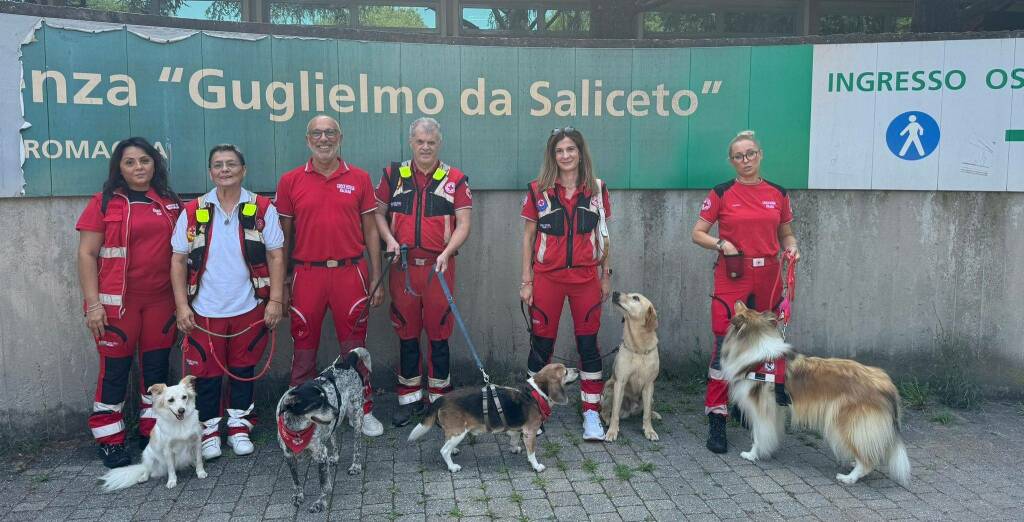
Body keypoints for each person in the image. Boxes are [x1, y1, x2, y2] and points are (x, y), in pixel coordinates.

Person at [170, 144, 286, 459]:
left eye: (231, 164)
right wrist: (182, 306)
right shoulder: (193, 210)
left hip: (249, 307)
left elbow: (276, 255)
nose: (225, 169)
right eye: (218, 165)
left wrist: (275, 300)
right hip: (204, 309)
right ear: (211, 172)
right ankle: (208, 431)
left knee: (243, 371)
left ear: (243, 170)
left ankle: (238, 427)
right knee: (206, 377)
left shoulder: (262, 208)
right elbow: (178, 260)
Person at [691, 130, 800, 454]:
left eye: (750, 154)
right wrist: (720, 243)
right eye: (739, 156)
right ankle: (717, 416)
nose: (745, 160)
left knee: (764, 344)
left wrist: (792, 249)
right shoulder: (722, 192)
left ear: (760, 154)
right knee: (724, 344)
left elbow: (787, 233)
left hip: (768, 273)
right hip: (733, 274)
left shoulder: (778, 193)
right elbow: (697, 233)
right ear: (731, 161)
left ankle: (751, 409)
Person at [275, 115, 385, 437]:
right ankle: (298, 414)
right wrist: (281, 283)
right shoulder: (290, 180)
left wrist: (376, 275)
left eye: (330, 133)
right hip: (306, 273)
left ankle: (361, 411)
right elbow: (283, 236)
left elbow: (370, 231)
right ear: (308, 139)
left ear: (341, 136)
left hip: (351, 272)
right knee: (303, 345)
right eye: (317, 133)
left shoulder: (360, 178)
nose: (324, 139)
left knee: (355, 348)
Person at [76, 137, 182, 468]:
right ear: (119, 168)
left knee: (156, 374)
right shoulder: (104, 202)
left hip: (161, 303)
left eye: (144, 161)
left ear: (155, 164)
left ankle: (152, 433)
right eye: (130, 162)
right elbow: (86, 254)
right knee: (114, 374)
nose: (139, 167)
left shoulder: (168, 201)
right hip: (116, 307)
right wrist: (93, 305)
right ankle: (110, 440)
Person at [374, 117, 472, 427]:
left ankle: (440, 402)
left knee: (439, 333)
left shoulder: (454, 178)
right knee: (407, 332)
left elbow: (465, 223)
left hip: (439, 270)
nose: (425, 147)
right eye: (420, 141)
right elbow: (377, 214)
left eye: (431, 142)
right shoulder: (394, 175)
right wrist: (389, 240)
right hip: (402, 268)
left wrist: (445, 252)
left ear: (439, 143)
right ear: (411, 143)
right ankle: (409, 399)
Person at [519, 127, 612, 441]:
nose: (566, 155)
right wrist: (526, 280)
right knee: (541, 345)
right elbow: (529, 238)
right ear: (553, 156)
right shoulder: (537, 190)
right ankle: (532, 414)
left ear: (580, 152)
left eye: (571, 149)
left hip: (586, 279)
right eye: (560, 151)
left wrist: (605, 275)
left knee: (588, 346)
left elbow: (603, 235)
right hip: (548, 279)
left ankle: (591, 414)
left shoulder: (597, 189)